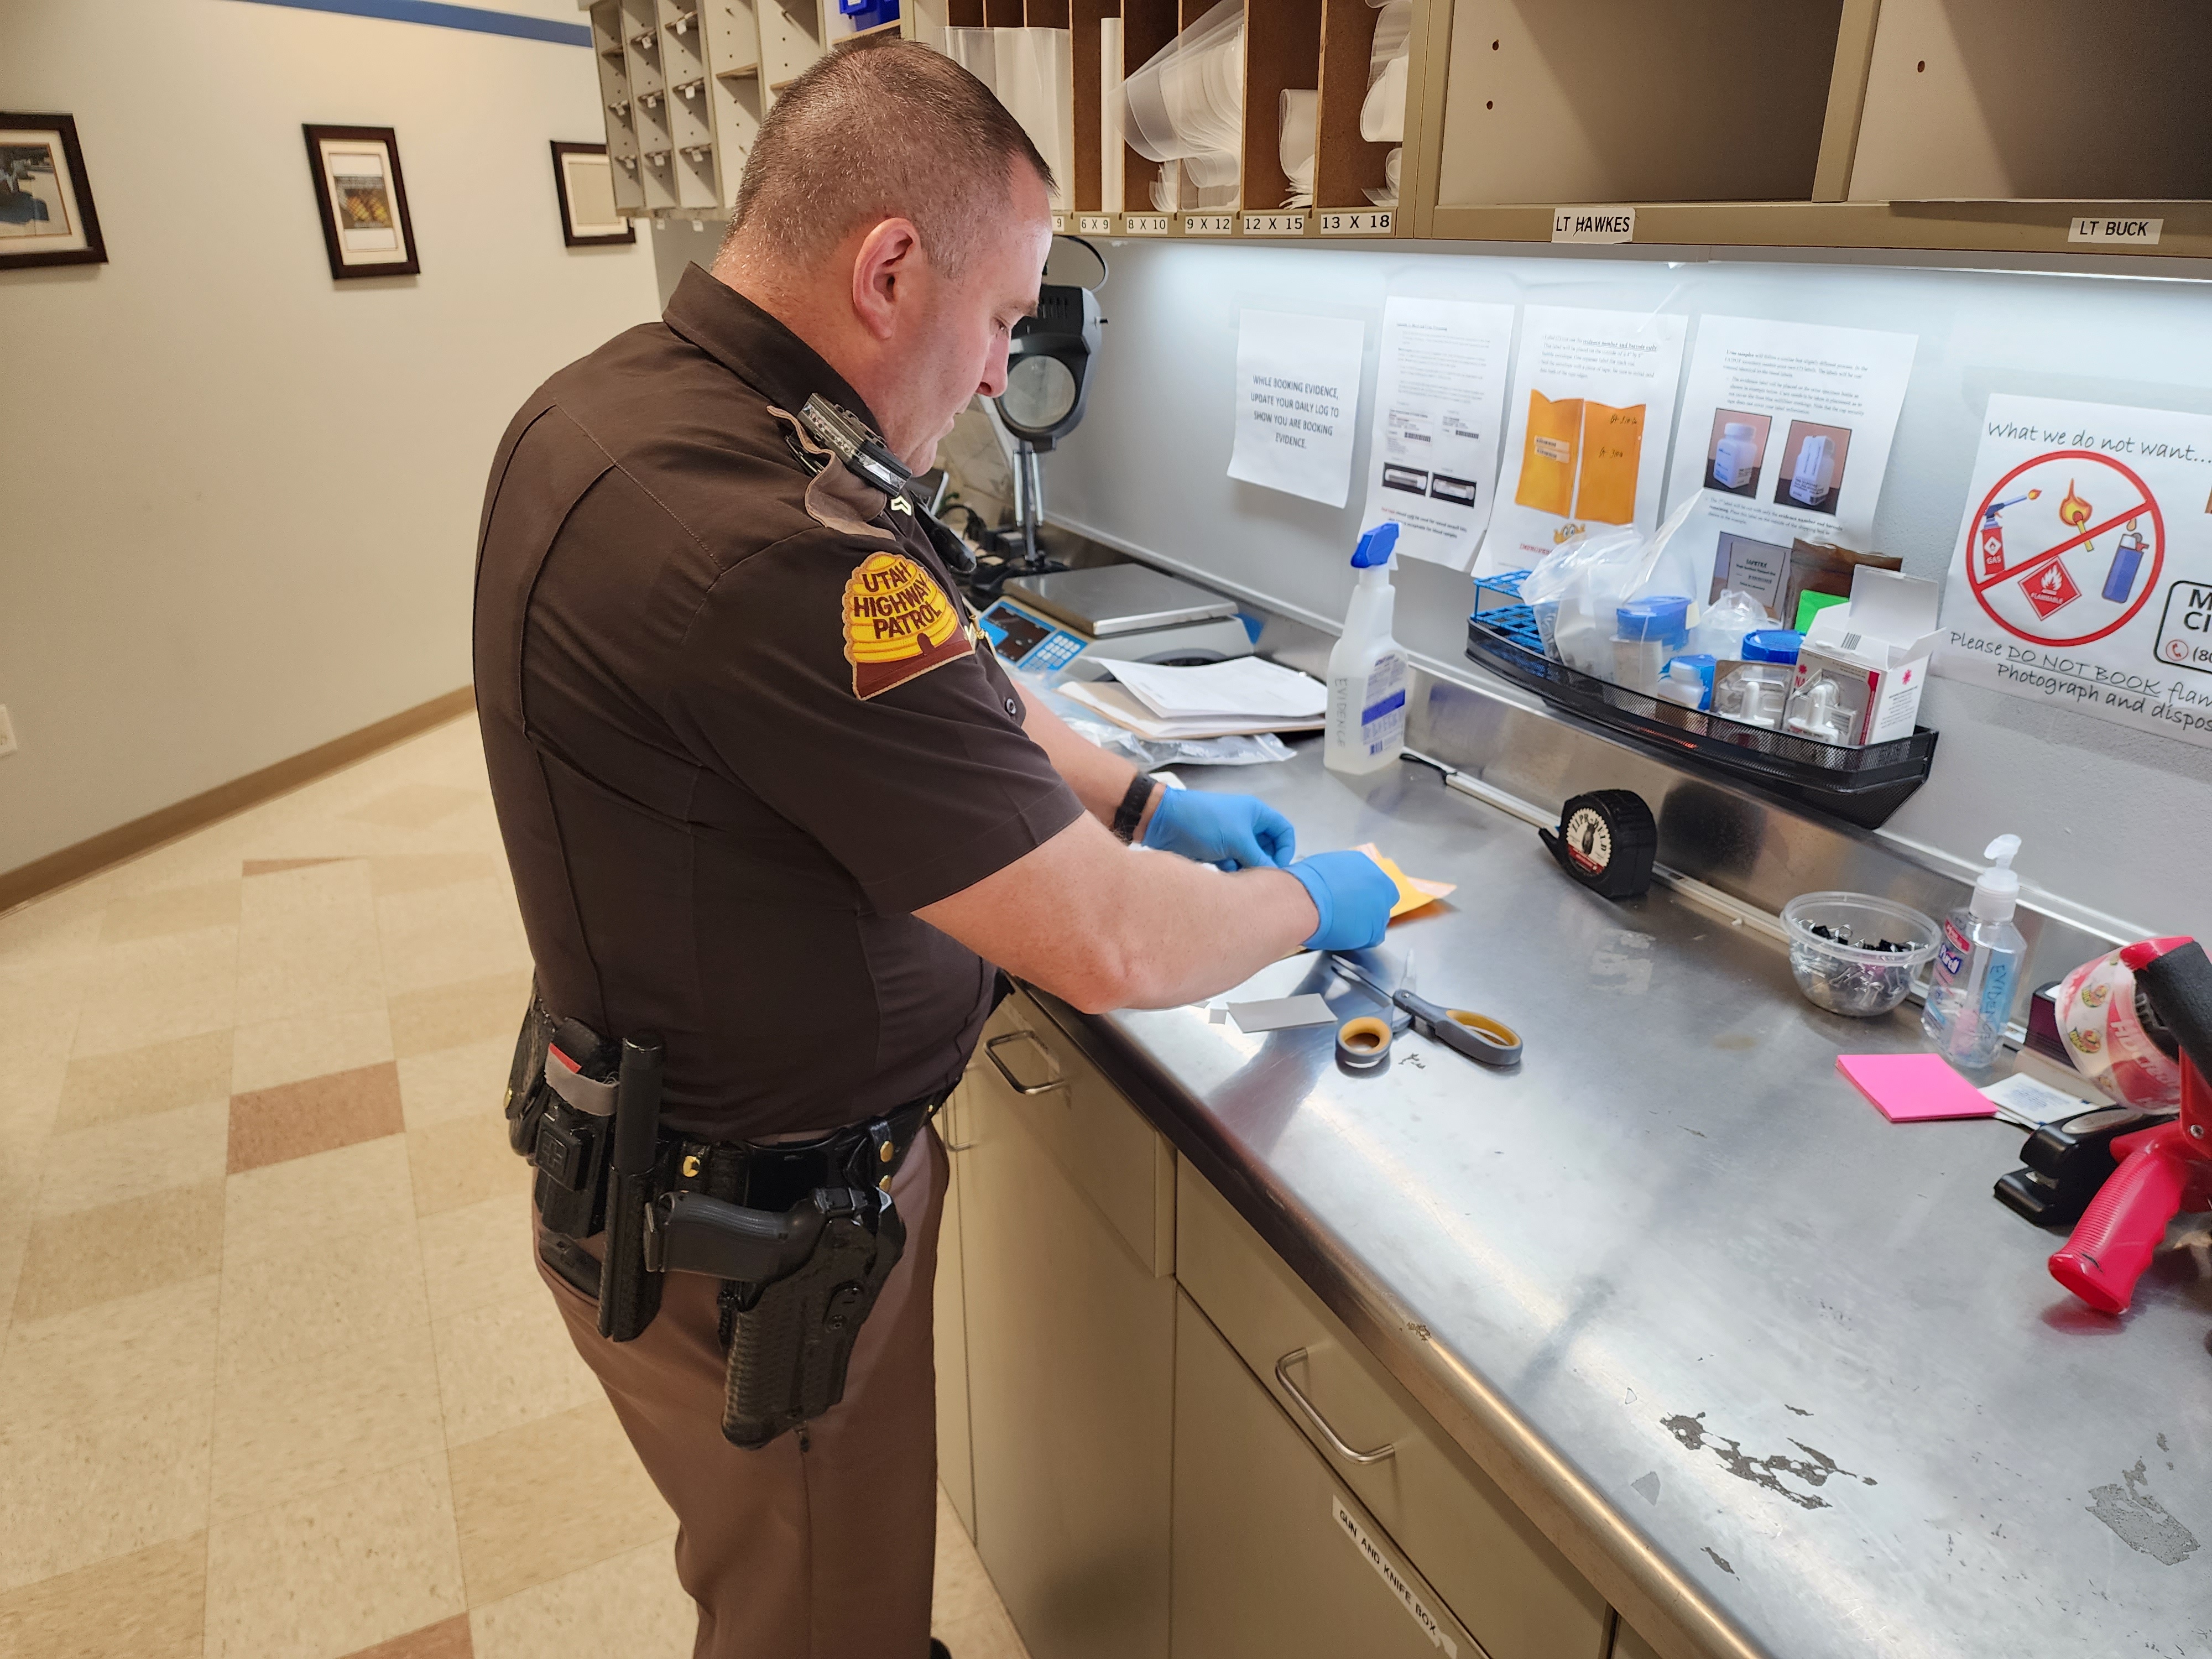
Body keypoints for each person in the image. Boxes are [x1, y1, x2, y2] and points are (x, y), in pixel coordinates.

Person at [472, 36, 1395, 1659]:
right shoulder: (778, 544)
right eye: (998, 319)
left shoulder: (631, 407)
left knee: (794, 1584)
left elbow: (951, 679)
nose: (996, 372)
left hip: (653, 1162)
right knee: (823, 1621)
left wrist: (1144, 798)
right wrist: (1305, 896)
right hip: (762, 1244)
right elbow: (1111, 949)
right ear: (889, 268)